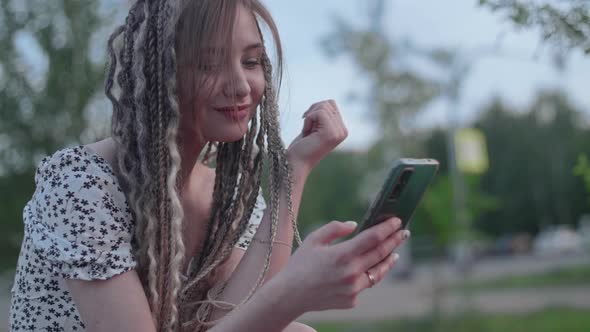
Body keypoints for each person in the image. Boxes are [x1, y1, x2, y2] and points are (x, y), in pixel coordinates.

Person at [9, 0, 410, 331]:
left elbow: (236, 315)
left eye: (251, 62)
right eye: (208, 64)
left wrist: (294, 170)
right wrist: (293, 292)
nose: (239, 85)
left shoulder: (226, 197)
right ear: (160, 74)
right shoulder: (81, 184)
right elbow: (264, 308)